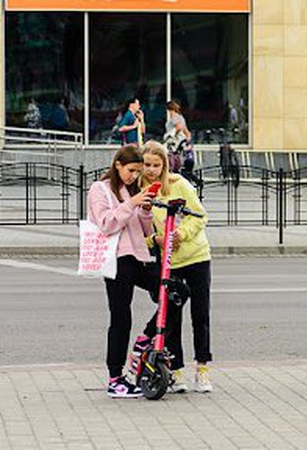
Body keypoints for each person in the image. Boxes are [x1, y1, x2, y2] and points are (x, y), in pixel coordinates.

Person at [129, 141, 214, 393]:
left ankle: (202, 370)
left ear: (165, 164)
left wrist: (181, 234)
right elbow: (137, 230)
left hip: (196, 256)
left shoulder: (179, 184)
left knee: (200, 314)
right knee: (171, 318)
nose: (152, 170)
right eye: (147, 165)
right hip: (168, 262)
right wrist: (153, 240)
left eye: (157, 165)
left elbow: (199, 215)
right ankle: (175, 371)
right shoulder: (141, 191)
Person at [87, 144, 159, 398]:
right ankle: (115, 378)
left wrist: (146, 210)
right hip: (116, 259)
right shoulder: (100, 189)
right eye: (130, 170)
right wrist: (133, 203)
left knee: (174, 293)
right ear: (118, 165)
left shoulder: (132, 190)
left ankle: (144, 342)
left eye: (137, 172)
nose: (133, 176)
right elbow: (106, 223)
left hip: (139, 257)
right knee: (121, 317)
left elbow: (145, 230)